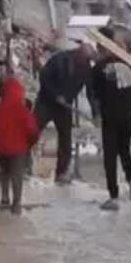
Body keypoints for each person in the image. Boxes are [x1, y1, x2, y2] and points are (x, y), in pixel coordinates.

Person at [89, 26, 131, 211]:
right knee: (124, 148)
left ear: (102, 44)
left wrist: (96, 114)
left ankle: (113, 196)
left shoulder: (99, 68)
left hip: (111, 114)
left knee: (110, 154)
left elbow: (93, 93)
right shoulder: (129, 62)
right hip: (129, 112)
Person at [35, 41, 92, 185]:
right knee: (32, 130)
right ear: (78, 53)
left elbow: (91, 90)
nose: (85, 62)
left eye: (87, 60)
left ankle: (61, 172)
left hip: (65, 106)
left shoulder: (86, 67)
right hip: (46, 102)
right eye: (84, 59)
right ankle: (21, 163)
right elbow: (44, 77)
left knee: (65, 138)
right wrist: (55, 95)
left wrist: (96, 112)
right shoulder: (59, 59)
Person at [0, 76, 39, 215]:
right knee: (17, 176)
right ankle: (16, 204)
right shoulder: (22, 110)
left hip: (1, 147)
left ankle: (5, 197)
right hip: (18, 148)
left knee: (4, 172)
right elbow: (32, 130)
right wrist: (30, 143)